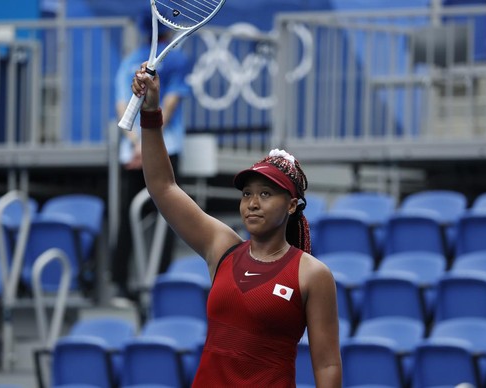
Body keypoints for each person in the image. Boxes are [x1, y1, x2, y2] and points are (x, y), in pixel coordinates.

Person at [131, 65, 342, 386]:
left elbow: (327, 365)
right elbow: (163, 187)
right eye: (247, 194)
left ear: (291, 205)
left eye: (266, 194)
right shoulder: (223, 248)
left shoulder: (312, 274)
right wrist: (150, 113)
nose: (253, 202)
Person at [112, 16, 191, 299]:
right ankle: (153, 285)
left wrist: (136, 146)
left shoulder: (129, 62)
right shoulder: (178, 61)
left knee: (132, 217)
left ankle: (123, 285)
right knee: (171, 217)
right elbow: (166, 108)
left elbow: (124, 107)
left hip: (137, 153)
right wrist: (147, 148)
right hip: (163, 155)